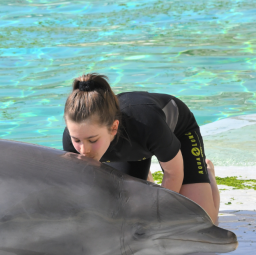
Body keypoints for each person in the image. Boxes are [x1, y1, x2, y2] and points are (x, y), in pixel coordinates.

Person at [62, 73, 220, 225]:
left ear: (113, 128)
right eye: (76, 140)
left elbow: (174, 173)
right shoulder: (72, 142)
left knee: (202, 221)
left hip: (177, 131)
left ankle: (207, 172)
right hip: (135, 147)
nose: (84, 150)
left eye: (92, 140)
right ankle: (146, 176)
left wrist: (159, 214)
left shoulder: (147, 123)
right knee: (123, 208)